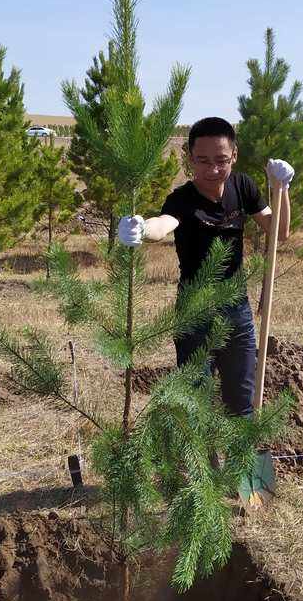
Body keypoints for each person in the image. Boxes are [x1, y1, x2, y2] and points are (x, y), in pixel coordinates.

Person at [116, 116, 291, 415]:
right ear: (189, 158)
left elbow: (279, 232)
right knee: (196, 404)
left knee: (242, 400)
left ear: (234, 156)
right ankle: (202, 462)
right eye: (203, 160)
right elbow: (164, 225)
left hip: (237, 309)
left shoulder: (243, 186)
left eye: (222, 160)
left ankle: (242, 460)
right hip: (193, 312)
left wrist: (282, 188)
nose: (212, 170)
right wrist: (142, 229)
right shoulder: (181, 199)